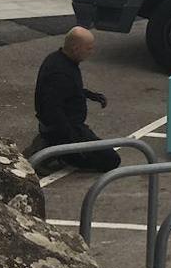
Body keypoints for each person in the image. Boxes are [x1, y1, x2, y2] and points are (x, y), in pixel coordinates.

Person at [23, 26, 119, 173]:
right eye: (88, 49)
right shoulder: (60, 72)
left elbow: (67, 90)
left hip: (71, 127)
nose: (91, 52)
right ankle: (50, 150)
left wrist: (90, 95)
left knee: (102, 152)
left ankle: (51, 144)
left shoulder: (59, 59)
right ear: (75, 48)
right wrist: (74, 141)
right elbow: (52, 110)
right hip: (64, 131)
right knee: (111, 160)